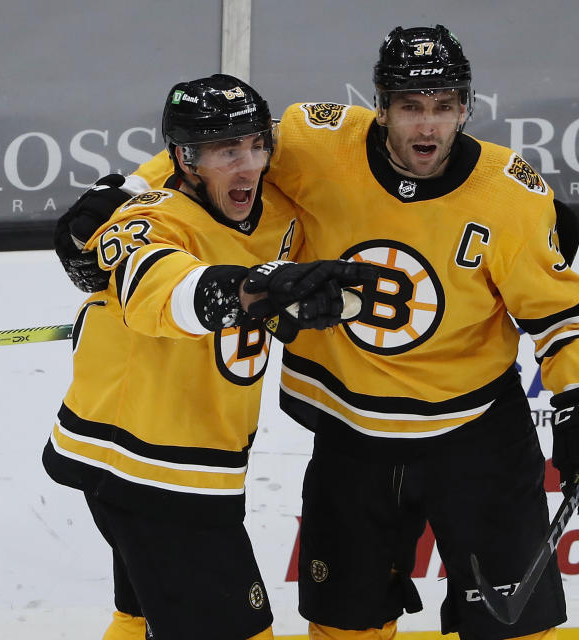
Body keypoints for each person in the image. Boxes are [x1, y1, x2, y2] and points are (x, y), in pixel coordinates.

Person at [55, 25, 579, 640]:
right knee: (343, 628)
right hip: (351, 438)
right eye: (410, 107)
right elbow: (220, 143)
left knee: (512, 630)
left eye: (444, 106)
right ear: (380, 106)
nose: (428, 127)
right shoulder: (317, 140)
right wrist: (132, 188)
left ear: (468, 107)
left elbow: (563, 316)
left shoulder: (510, 196)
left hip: (476, 438)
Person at [43, 74, 376, 640]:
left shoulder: (280, 209)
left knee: (142, 616)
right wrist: (255, 290)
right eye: (227, 151)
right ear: (186, 159)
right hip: (149, 463)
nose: (247, 165)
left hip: (190, 449)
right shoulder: (149, 219)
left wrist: (297, 302)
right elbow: (162, 292)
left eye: (255, 145)